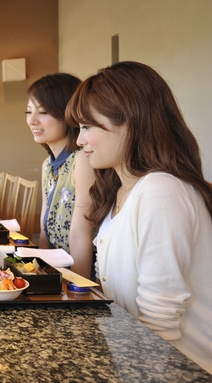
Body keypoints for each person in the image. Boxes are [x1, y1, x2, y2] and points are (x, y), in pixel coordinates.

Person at [66, 61, 212, 373]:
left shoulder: (161, 192)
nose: (79, 141)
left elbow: (159, 323)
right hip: (137, 357)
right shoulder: (120, 189)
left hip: (183, 368)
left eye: (88, 127)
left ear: (131, 122)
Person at [26, 73, 96, 279]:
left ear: (68, 113)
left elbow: (80, 234)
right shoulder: (48, 164)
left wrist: (78, 291)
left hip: (80, 272)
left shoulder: (82, 160)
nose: (32, 120)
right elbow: (44, 228)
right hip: (57, 271)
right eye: (28, 111)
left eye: (43, 112)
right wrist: (39, 271)